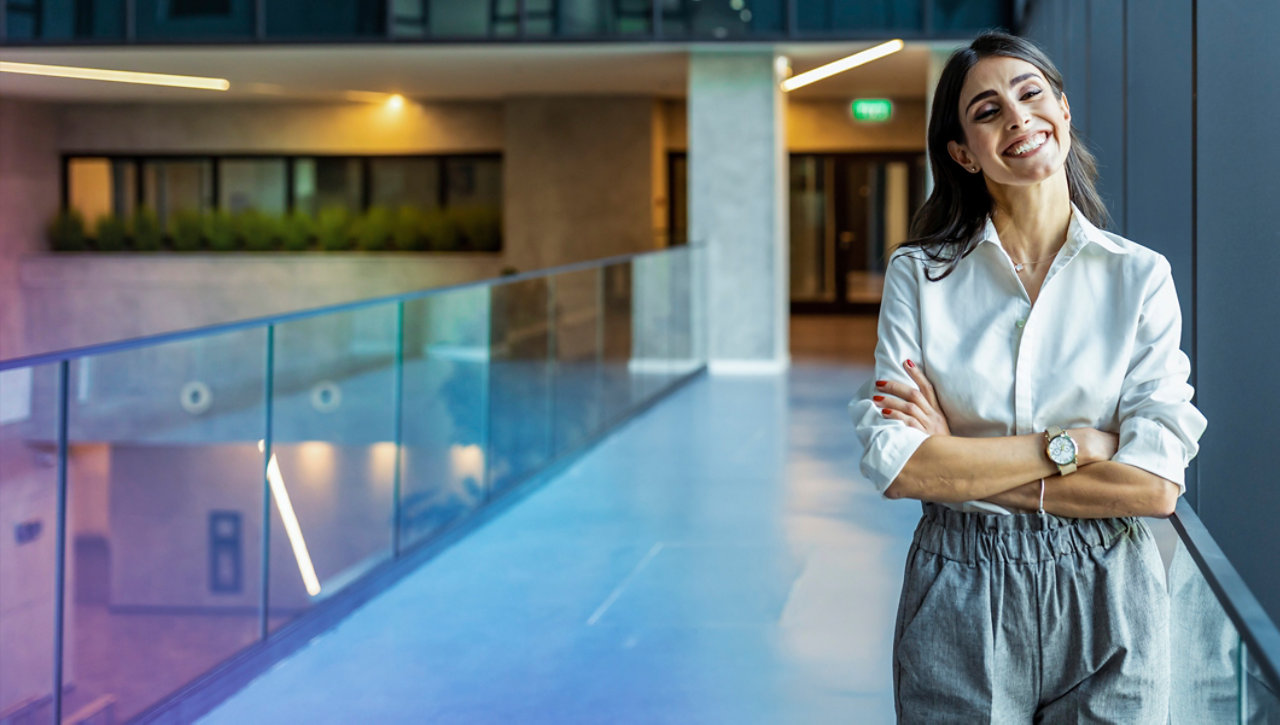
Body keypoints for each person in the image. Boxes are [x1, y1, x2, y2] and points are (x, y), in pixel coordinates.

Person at [849, 32, 1207, 723]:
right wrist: (1073, 444)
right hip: (960, 586)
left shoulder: (1139, 278)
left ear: (1064, 112)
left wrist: (957, 459)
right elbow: (899, 467)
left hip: (1109, 588)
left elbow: (1155, 485)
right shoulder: (920, 278)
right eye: (986, 111)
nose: (1016, 117)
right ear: (962, 152)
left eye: (1030, 93)